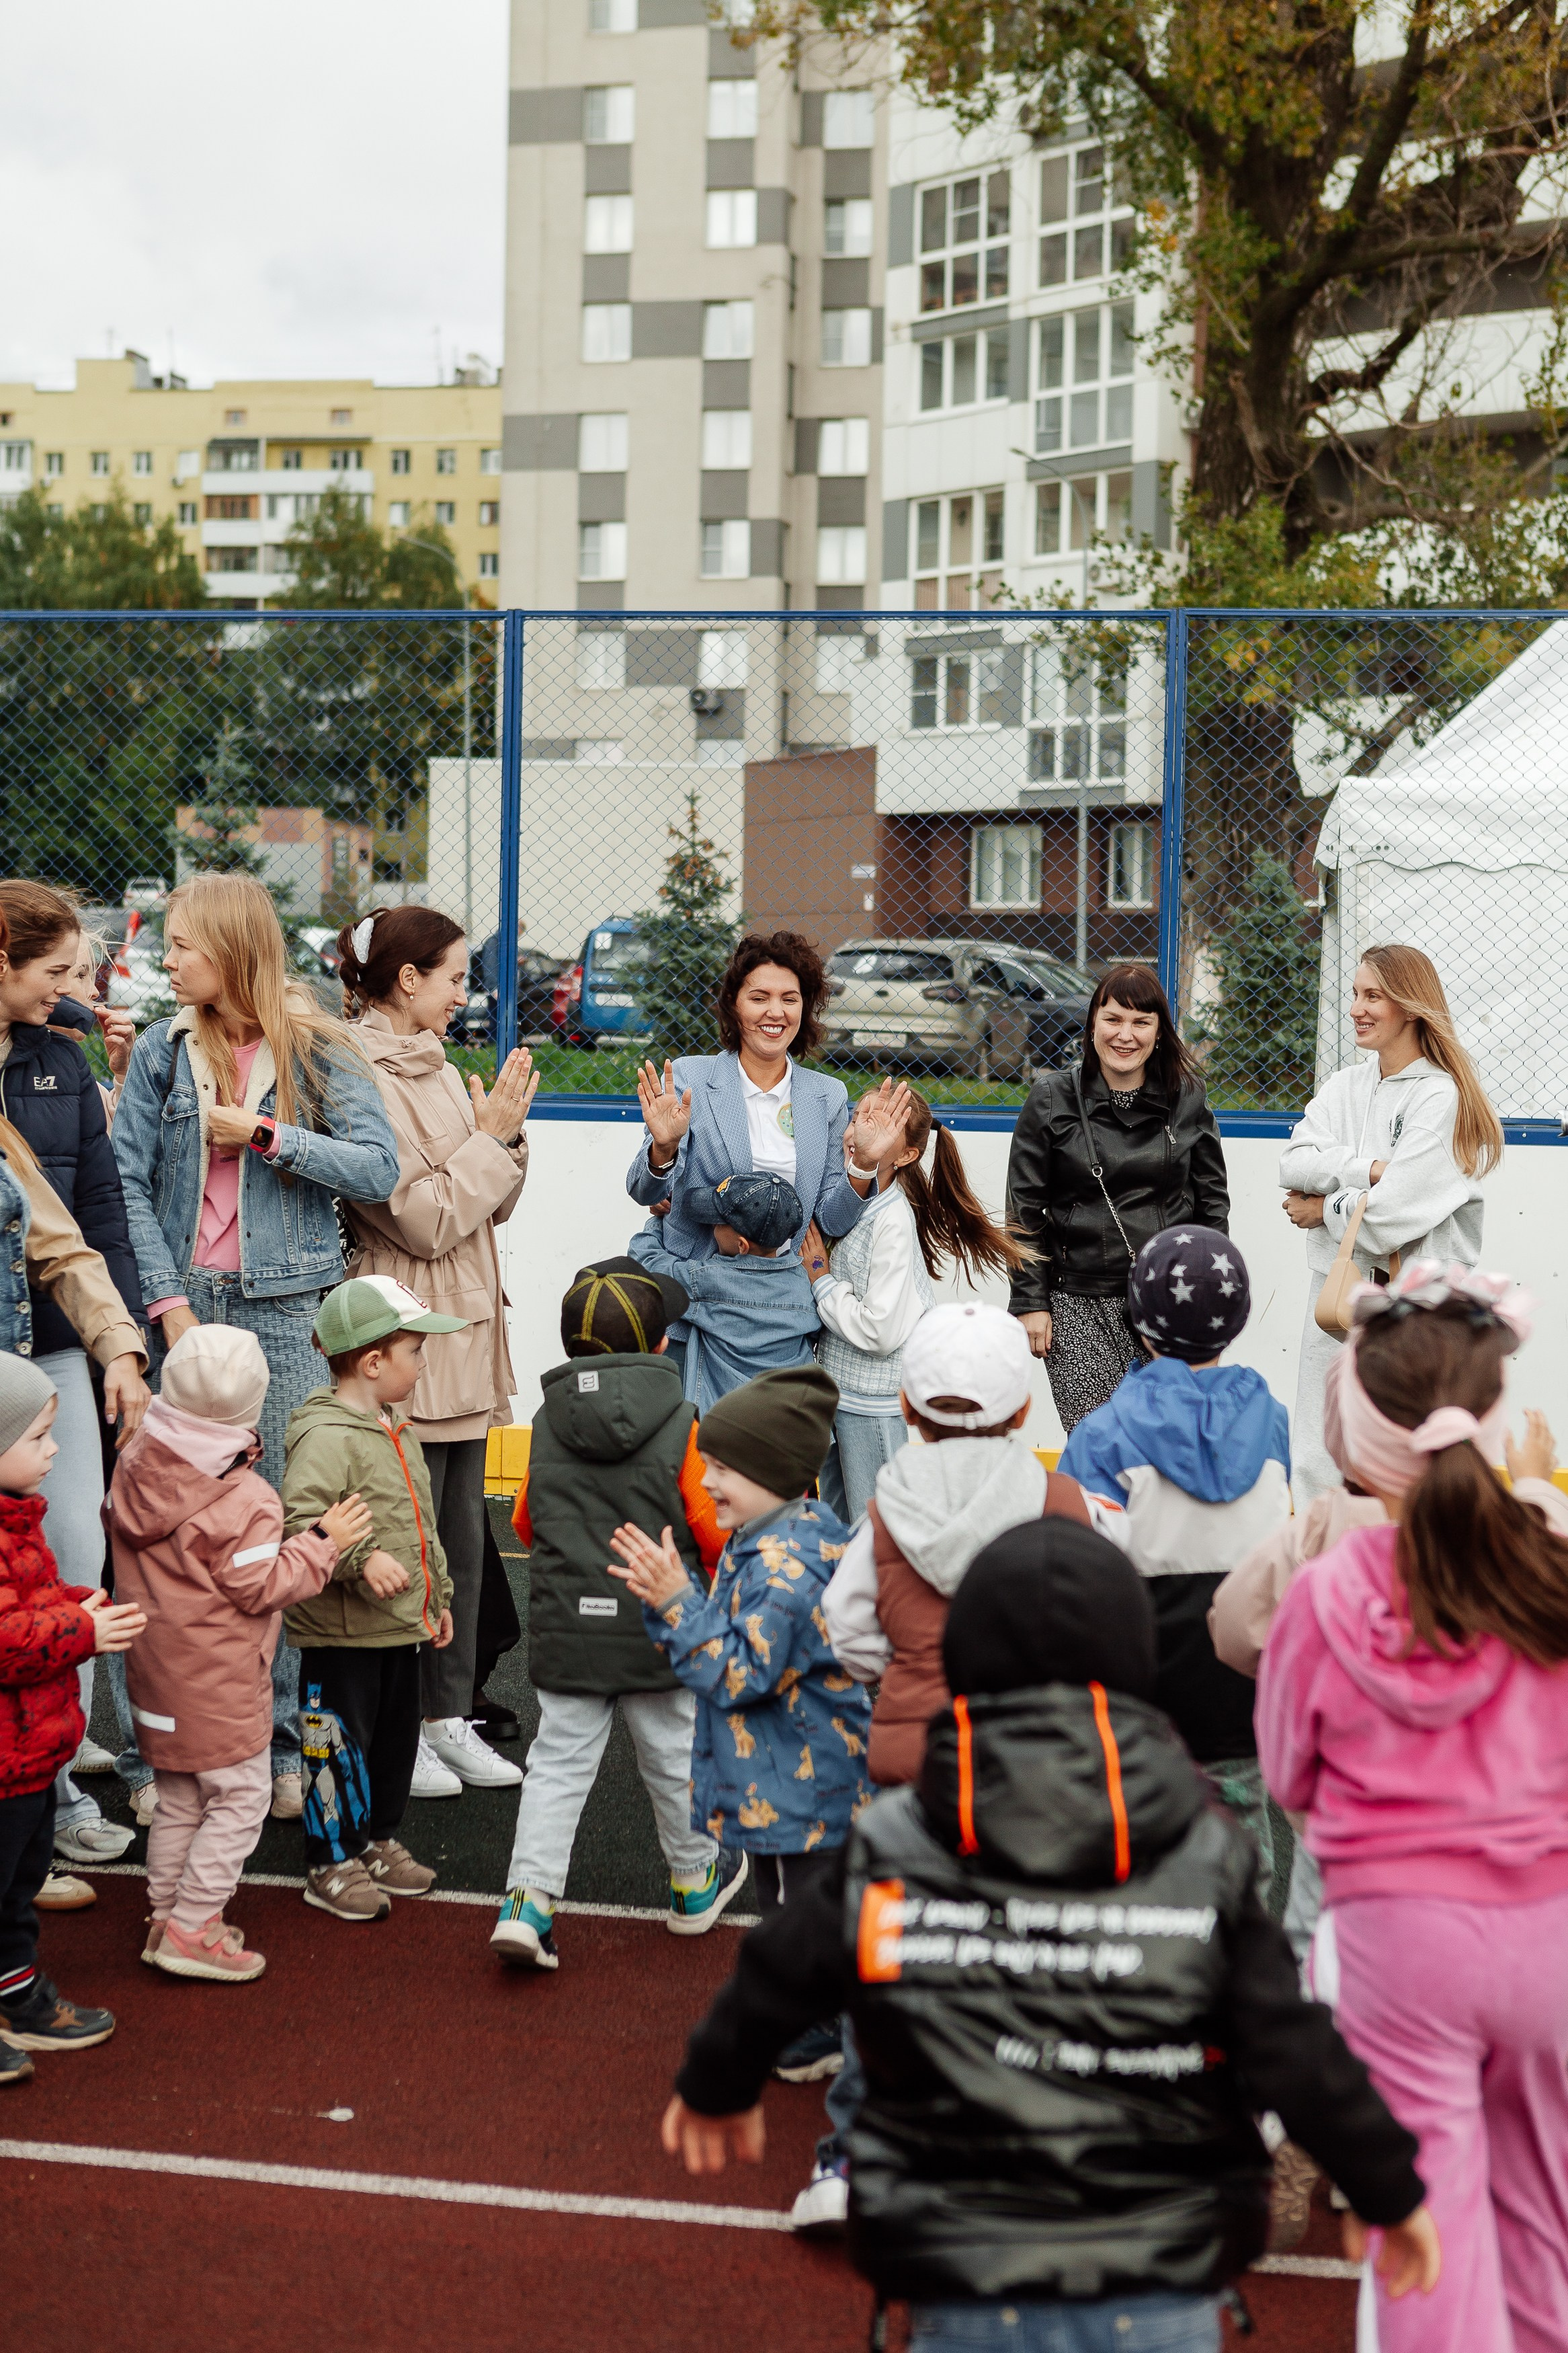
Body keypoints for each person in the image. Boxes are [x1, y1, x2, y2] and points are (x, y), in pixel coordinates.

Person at [659, 1524, 1440, 2352]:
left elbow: (778, 1966)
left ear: (963, 1657)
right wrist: (1385, 2184)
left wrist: (720, 2079)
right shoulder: (1203, 1848)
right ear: (1135, 1656)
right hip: (1158, 2274)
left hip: (962, 2270)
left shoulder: (894, 1842)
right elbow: (1289, 2038)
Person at [1258, 1262, 1568, 2353]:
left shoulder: (1326, 1593)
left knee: (1424, 2222)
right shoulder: (1549, 1573)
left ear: (1358, 1433)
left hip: (1398, 1940)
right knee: (1541, 2210)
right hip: (1548, 1939)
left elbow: (1288, 1774)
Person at [811, 1300, 1122, 2235]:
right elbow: (1104, 1619)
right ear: (1024, 1411)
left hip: (913, 1767)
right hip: (1034, 1771)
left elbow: (848, 1622)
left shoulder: (884, 1510)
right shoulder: (1065, 1507)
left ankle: (851, 2156)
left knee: (895, 1966)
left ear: (906, 1408)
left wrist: (900, 1675)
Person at [112, 873, 400, 1823]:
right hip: (184, 1314)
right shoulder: (162, 1052)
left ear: (232, 949)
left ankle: (269, 1744)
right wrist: (167, 1308)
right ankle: (154, 1758)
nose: (170, 961)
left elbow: (377, 1168)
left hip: (285, 1315)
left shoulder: (316, 1049)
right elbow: (125, 1184)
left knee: (264, 1532)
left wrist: (272, 1136)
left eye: (185, 945)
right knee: (154, 1533)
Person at [609, 1363, 868, 2097]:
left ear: (776, 1472)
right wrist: (677, 1605)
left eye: (723, 1467)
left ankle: (829, 2030)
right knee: (797, 1913)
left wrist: (673, 1600)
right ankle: (818, 2020)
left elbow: (732, 1672)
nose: (708, 1479)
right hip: (795, 1778)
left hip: (801, 1785)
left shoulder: (783, 1567)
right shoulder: (781, 1538)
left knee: (800, 1918)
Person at [490, 1257, 748, 1970]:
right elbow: (713, 1531)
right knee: (672, 1757)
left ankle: (528, 1901)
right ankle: (695, 1886)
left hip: (569, 1624)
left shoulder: (544, 1423)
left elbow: (525, 1521)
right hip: (659, 1626)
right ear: (660, 1345)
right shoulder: (686, 1427)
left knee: (557, 1765)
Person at [332, 905, 535, 1804]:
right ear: (406, 980)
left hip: (461, 1335)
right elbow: (420, 1215)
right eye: (453, 976)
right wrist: (492, 1141)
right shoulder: (353, 1073)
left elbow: (487, 1208)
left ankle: (446, 1718)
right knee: (402, 1540)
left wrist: (501, 1137)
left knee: (456, 1543)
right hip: (405, 1333)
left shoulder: (443, 1069)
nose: (466, 993)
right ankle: (396, 1725)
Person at [106, 1324, 372, 1983]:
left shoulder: (135, 1460)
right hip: (219, 1686)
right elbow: (264, 1586)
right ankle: (194, 1925)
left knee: (177, 1800)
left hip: (155, 1677)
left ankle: (165, 1915)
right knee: (239, 1798)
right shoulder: (247, 1498)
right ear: (252, 1407)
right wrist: (321, 1540)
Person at [1059, 1228, 1290, 1897]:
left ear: (1138, 1317)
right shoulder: (1269, 1419)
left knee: (1136, 1850)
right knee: (1244, 1855)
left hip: (1142, 1692)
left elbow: (1081, 1575)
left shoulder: (1103, 1432)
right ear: (1237, 1319)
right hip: (1243, 1687)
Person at [0, 882, 146, 1879]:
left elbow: (73, 1231)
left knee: (68, 1569)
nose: (76, 990)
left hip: (34, 1354)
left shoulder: (58, 1064)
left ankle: (47, 1798)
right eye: (55, 972)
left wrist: (121, 1347)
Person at [627, 931, 906, 1380]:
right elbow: (645, 1190)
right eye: (759, 997)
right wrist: (664, 1147)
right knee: (688, 1444)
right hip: (692, 1309)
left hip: (776, 1319)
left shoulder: (826, 1095)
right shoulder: (689, 1077)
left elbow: (830, 1220)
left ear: (805, 1007)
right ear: (734, 1005)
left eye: (789, 999)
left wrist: (864, 1165)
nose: (775, 1012)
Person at [1280, 943, 1501, 1502]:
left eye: (1372, 995)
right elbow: (1293, 1161)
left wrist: (1321, 1207)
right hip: (1337, 1296)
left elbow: (1386, 1220)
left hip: (1417, 1309)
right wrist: (1369, 1169)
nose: (1356, 1007)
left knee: (1412, 1452)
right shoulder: (1344, 1085)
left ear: (1409, 1006)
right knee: (1316, 1448)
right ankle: (1318, 1573)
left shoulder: (1441, 1098)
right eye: (1354, 993)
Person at [279, 1277, 459, 1922]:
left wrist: (438, 1595)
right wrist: (359, 1558)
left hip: (398, 1626)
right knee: (335, 1745)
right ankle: (331, 1859)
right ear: (373, 1362)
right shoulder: (325, 1436)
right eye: (415, 1350)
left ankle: (377, 1838)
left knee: (391, 1744)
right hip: (341, 1633)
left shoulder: (396, 1427)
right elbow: (300, 1522)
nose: (422, 1363)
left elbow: (421, 1524)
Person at [1005, 963, 1229, 1433]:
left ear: (1159, 1032)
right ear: (1092, 1024)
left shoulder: (1187, 1097)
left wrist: (1207, 1299)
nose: (1124, 1035)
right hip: (1075, 1302)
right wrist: (1031, 1301)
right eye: (1113, 1019)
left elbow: (1211, 1207)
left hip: (1170, 1298)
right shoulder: (1050, 1097)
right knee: (1099, 1443)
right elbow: (1023, 1210)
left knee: (1171, 1442)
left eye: (1140, 1022)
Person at [0, 1355, 145, 2077]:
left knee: (19, 1889)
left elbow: (32, 1603)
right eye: (38, 1438)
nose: (55, 1450)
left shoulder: (20, 1520)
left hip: (26, 1759)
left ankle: (19, 1997)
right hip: (5, 1760)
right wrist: (82, 1632)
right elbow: (5, 1640)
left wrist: (72, 1604)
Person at [800, 1087, 1030, 1522]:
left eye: (880, 1127)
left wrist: (822, 1280)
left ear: (904, 1156)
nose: (858, 1132)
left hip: (870, 1402)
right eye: (858, 1118)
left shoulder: (890, 1219)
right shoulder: (848, 1203)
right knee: (836, 1520)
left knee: (878, 1521)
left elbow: (879, 1330)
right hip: (839, 1394)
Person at [629, 1171, 821, 1413]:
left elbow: (646, 1263)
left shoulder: (711, 1281)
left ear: (742, 1245)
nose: (712, 1226)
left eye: (719, 1222)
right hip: (790, 1419)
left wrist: (659, 1222)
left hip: (728, 1424)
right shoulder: (804, 1284)